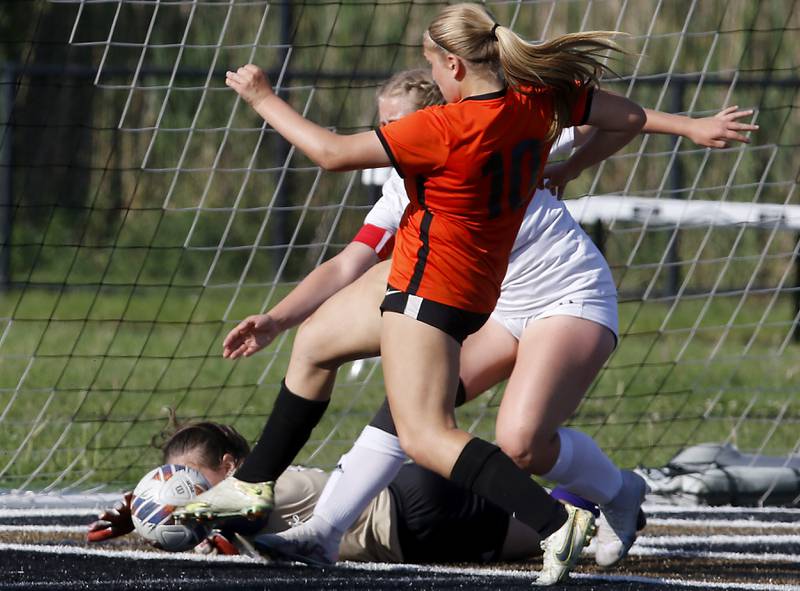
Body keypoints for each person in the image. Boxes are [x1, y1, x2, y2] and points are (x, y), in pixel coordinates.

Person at [176, 69, 756, 580]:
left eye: (395, 124)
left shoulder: (486, 132)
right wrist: (277, 319)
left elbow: (621, 116)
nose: (385, 137)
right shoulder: (403, 183)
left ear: (434, 117)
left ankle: (617, 492)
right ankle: (324, 532)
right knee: (412, 412)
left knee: (521, 443)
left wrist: (583, 162)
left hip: (568, 294)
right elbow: (349, 262)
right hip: (496, 305)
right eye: (381, 124)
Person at [88, 420, 592, 565]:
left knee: (565, 524)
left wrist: (148, 517)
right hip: (408, 501)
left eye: (196, 483)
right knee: (547, 518)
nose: (191, 499)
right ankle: (595, 496)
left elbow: (235, 525)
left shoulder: (254, 491)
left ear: (230, 466)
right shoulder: (243, 496)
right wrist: (148, 517)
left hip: (414, 523)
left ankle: (609, 496)